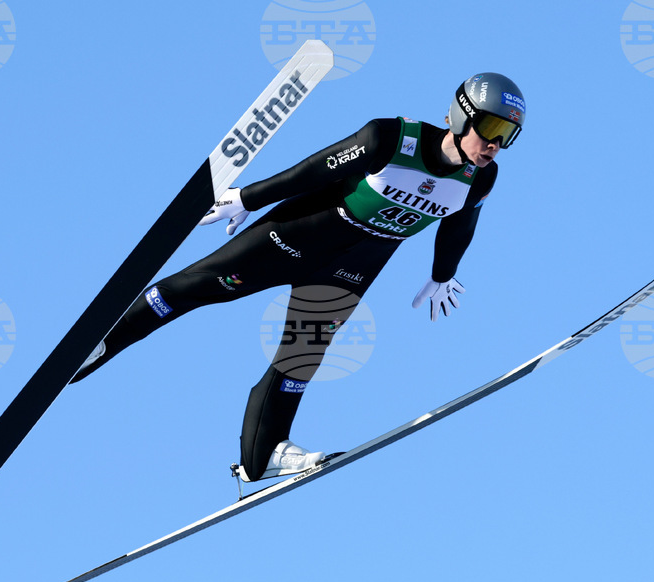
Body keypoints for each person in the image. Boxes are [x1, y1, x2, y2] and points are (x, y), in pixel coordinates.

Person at [70, 73, 527, 482]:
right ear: (461, 116)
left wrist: (443, 275)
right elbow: (312, 170)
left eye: (507, 135)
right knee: (199, 287)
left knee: (302, 355)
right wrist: (248, 198)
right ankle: (103, 342)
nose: (494, 144)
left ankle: (262, 456)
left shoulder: (480, 179)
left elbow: (460, 224)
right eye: (490, 129)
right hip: (295, 236)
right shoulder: (389, 137)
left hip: (351, 268)